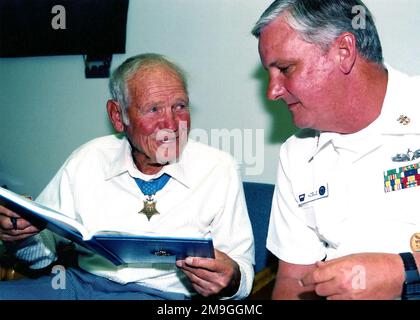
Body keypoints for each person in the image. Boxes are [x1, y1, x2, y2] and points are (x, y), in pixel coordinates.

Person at [0, 53, 254, 299]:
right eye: (154, 109)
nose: (172, 124)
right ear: (117, 116)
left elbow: (242, 273)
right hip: (75, 285)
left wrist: (230, 280)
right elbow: (41, 258)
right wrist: (21, 235)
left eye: (180, 106)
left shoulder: (218, 169)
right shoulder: (88, 159)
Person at [252, 0, 420, 300]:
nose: (272, 91)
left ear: (343, 51)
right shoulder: (298, 154)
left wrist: (402, 271)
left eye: (285, 68)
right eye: (269, 73)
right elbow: (293, 282)